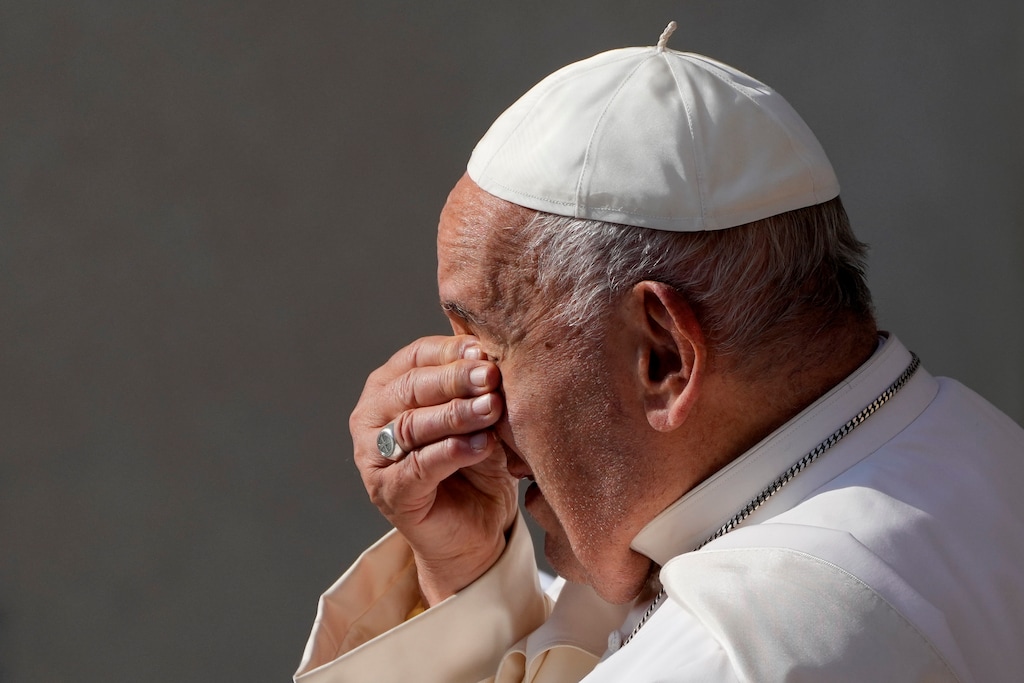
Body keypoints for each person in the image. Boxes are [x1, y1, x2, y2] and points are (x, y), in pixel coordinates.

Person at [294, 23, 1024, 682]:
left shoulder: (724, 657)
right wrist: (464, 576)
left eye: (486, 345)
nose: (474, 424)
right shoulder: (978, 450)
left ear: (663, 358)